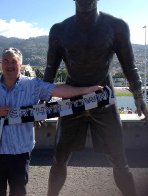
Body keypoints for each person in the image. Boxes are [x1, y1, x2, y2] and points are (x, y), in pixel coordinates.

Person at [43, 0, 148, 196]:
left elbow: (130, 67)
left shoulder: (116, 27)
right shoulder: (59, 30)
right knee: (59, 158)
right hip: (72, 101)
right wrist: (41, 101)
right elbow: (50, 69)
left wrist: (139, 97)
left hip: (104, 100)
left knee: (120, 160)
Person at [0, 47, 102, 196]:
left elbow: (60, 91)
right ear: (1, 64)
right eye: (6, 61)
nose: (9, 65)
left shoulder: (32, 85)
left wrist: (87, 90)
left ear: (20, 65)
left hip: (19, 155)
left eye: (14, 62)